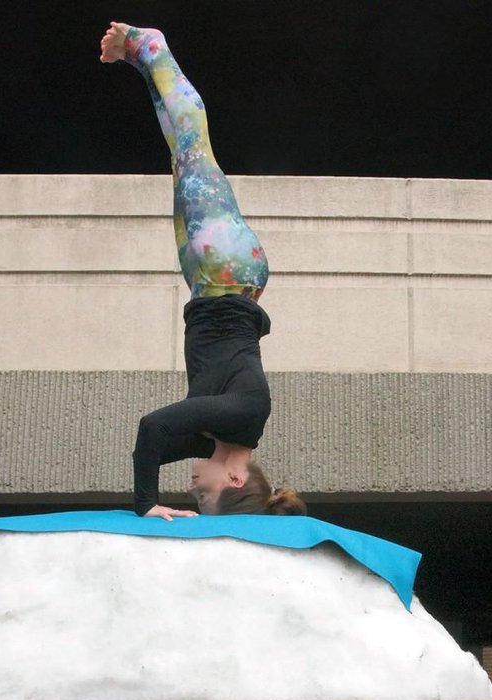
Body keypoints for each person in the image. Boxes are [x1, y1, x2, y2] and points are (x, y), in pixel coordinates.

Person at [100, 22, 307, 521]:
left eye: (192, 498)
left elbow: (147, 446)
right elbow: (151, 428)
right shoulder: (243, 414)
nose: (191, 488)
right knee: (194, 145)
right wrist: (147, 504)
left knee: (180, 157)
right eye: (202, 494)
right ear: (236, 480)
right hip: (229, 268)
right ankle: (148, 42)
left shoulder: (209, 434)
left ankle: (141, 59)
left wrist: (149, 497)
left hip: (204, 281)